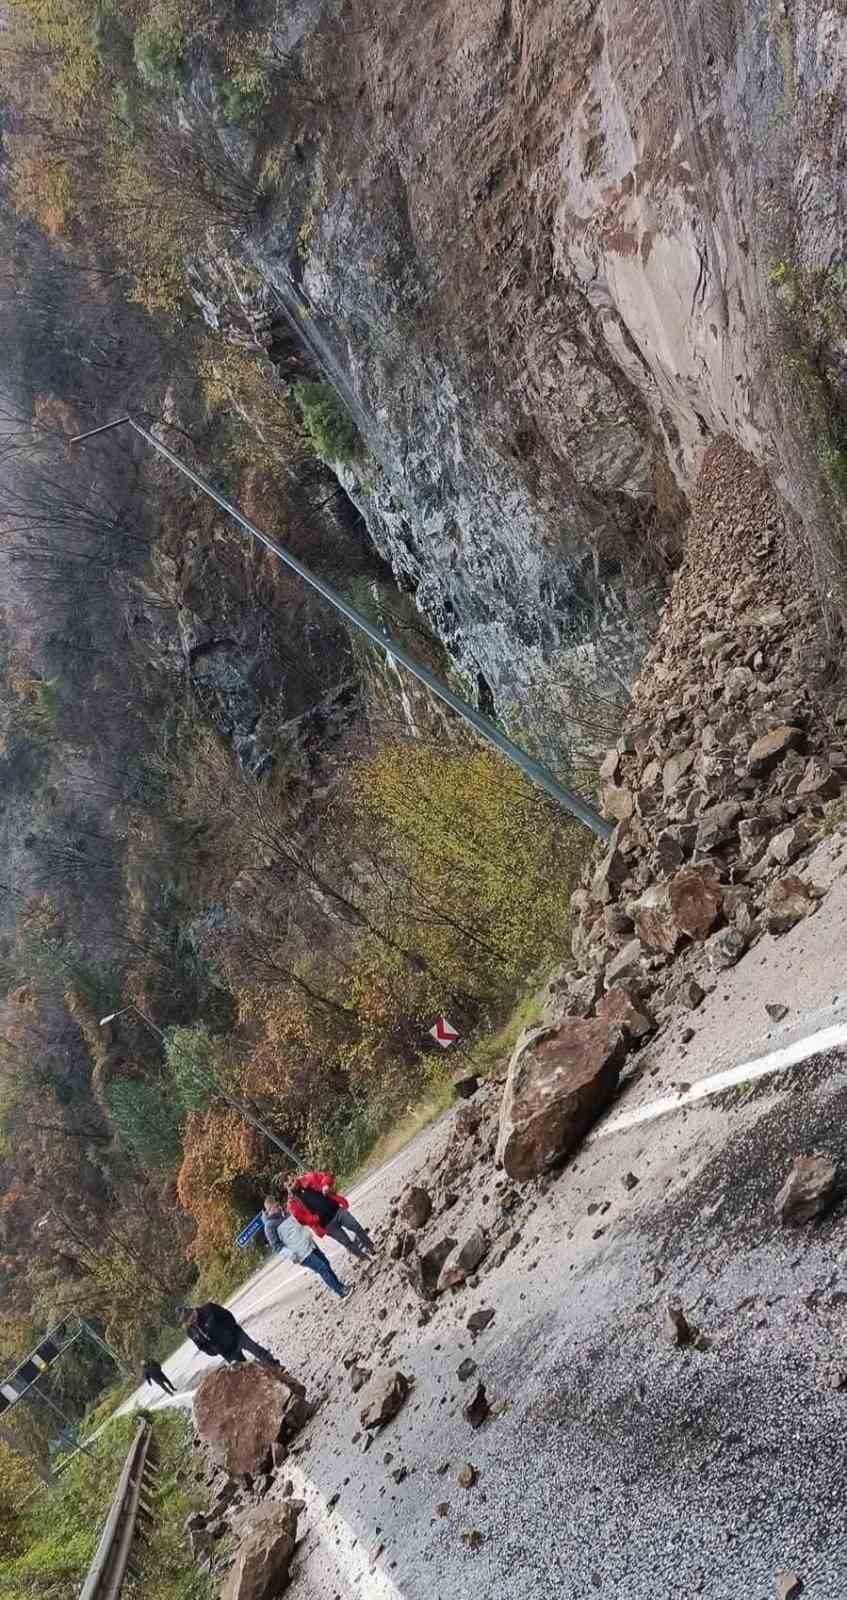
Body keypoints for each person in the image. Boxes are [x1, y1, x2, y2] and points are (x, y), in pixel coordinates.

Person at [178, 1302, 304, 1393]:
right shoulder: (191, 1331)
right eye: (188, 1321)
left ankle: (277, 1367)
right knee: (245, 1371)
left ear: (192, 1310)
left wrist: (230, 1331)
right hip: (226, 1352)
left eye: (191, 1316)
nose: (192, 1320)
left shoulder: (208, 1309)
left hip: (237, 1335)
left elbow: (227, 1315)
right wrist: (213, 1351)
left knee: (256, 1350)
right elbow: (201, 1346)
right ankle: (266, 1386)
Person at [263, 1197, 351, 1299]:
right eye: (275, 1207)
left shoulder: (284, 1213)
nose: (278, 1207)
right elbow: (276, 1246)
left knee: (325, 1263)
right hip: (300, 1253)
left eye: (277, 1205)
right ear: (269, 1210)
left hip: (308, 1244)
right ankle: (341, 1291)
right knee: (322, 1268)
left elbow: (296, 1226)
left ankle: (340, 1286)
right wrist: (290, 1254)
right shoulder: (269, 1226)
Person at [284, 1169, 376, 1262]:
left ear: (295, 1176)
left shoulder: (309, 1177)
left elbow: (326, 1176)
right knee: (346, 1242)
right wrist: (315, 1219)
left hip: (337, 1210)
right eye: (290, 1185)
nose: (293, 1184)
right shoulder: (292, 1203)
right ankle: (364, 1258)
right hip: (327, 1225)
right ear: (287, 1189)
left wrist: (325, 1185)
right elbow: (302, 1219)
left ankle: (371, 1247)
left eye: (293, 1180)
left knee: (355, 1226)